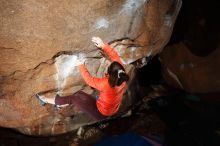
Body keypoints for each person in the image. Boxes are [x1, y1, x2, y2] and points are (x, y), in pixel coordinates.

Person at [35, 37, 129, 117]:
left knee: (75, 98)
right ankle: (60, 103)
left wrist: (80, 65)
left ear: (109, 74)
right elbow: (115, 57)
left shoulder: (106, 83)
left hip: (101, 113)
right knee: (80, 94)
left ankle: (43, 99)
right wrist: (103, 45)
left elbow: (89, 81)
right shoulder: (121, 75)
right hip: (112, 107)